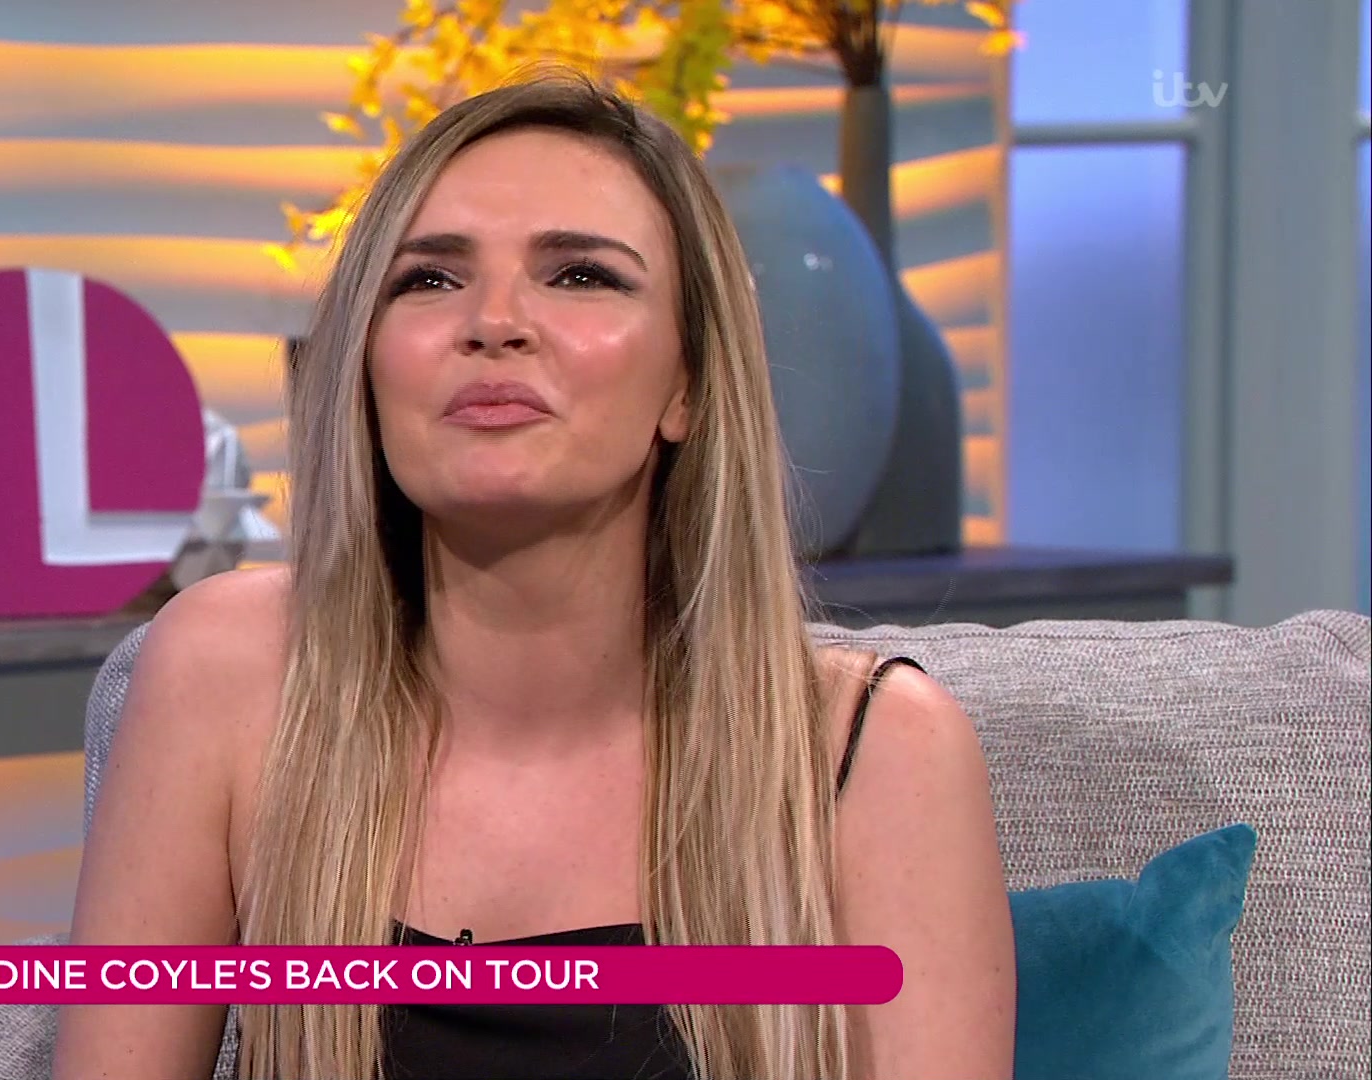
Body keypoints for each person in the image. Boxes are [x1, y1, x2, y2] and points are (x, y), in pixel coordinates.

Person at [53, 71, 1015, 1080]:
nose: (494, 321)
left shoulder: (874, 753)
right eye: (429, 281)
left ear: (687, 382)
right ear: (367, 368)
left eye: (581, 275)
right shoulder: (230, 675)